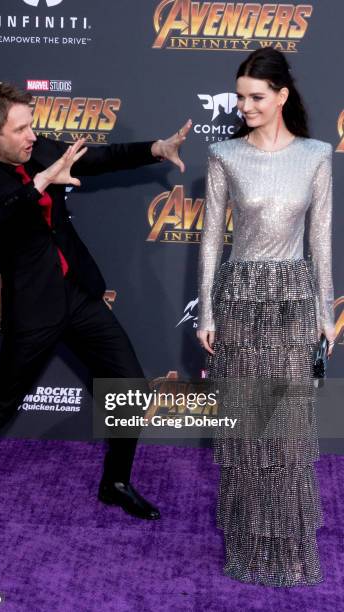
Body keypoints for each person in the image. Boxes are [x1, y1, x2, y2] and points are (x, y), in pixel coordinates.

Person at [0, 82, 192, 519]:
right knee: (1, 404)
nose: (31, 135)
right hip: (35, 308)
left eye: (31, 125)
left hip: (78, 294)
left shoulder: (39, 150)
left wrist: (155, 147)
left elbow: (99, 158)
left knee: (128, 386)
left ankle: (115, 483)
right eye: (20, 129)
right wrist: (39, 183)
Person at [197, 48, 335, 586]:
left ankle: (289, 544)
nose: (245, 105)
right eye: (240, 97)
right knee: (248, 428)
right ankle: (249, 541)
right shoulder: (224, 154)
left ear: (281, 96)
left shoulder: (317, 154)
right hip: (240, 303)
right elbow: (210, 239)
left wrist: (326, 311)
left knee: (289, 432)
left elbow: (320, 239)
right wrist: (206, 310)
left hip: (294, 302)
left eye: (256, 97)